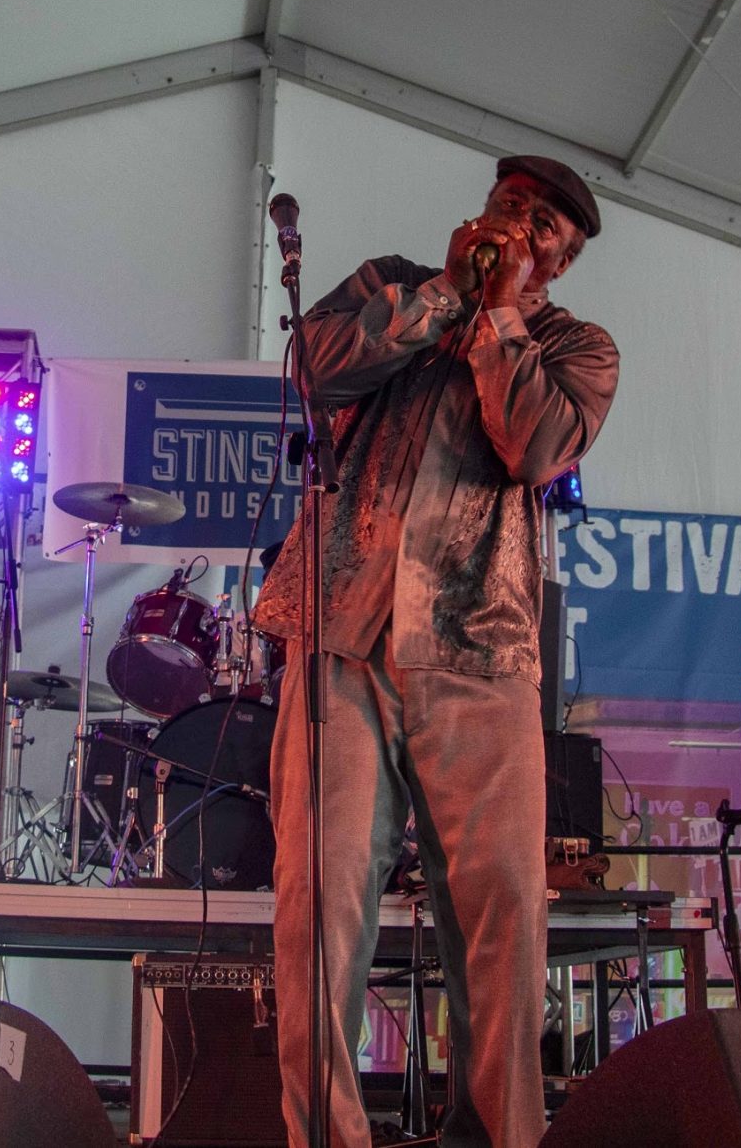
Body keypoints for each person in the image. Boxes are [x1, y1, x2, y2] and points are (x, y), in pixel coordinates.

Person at [252, 155, 619, 1148]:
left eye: (547, 229)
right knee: (316, 905)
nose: (523, 227)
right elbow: (315, 367)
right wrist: (448, 293)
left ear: (562, 263)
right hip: (341, 633)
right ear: (483, 212)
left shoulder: (572, 347)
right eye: (513, 207)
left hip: (480, 652)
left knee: (501, 921)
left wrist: (496, 318)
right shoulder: (391, 285)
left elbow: (534, 447)